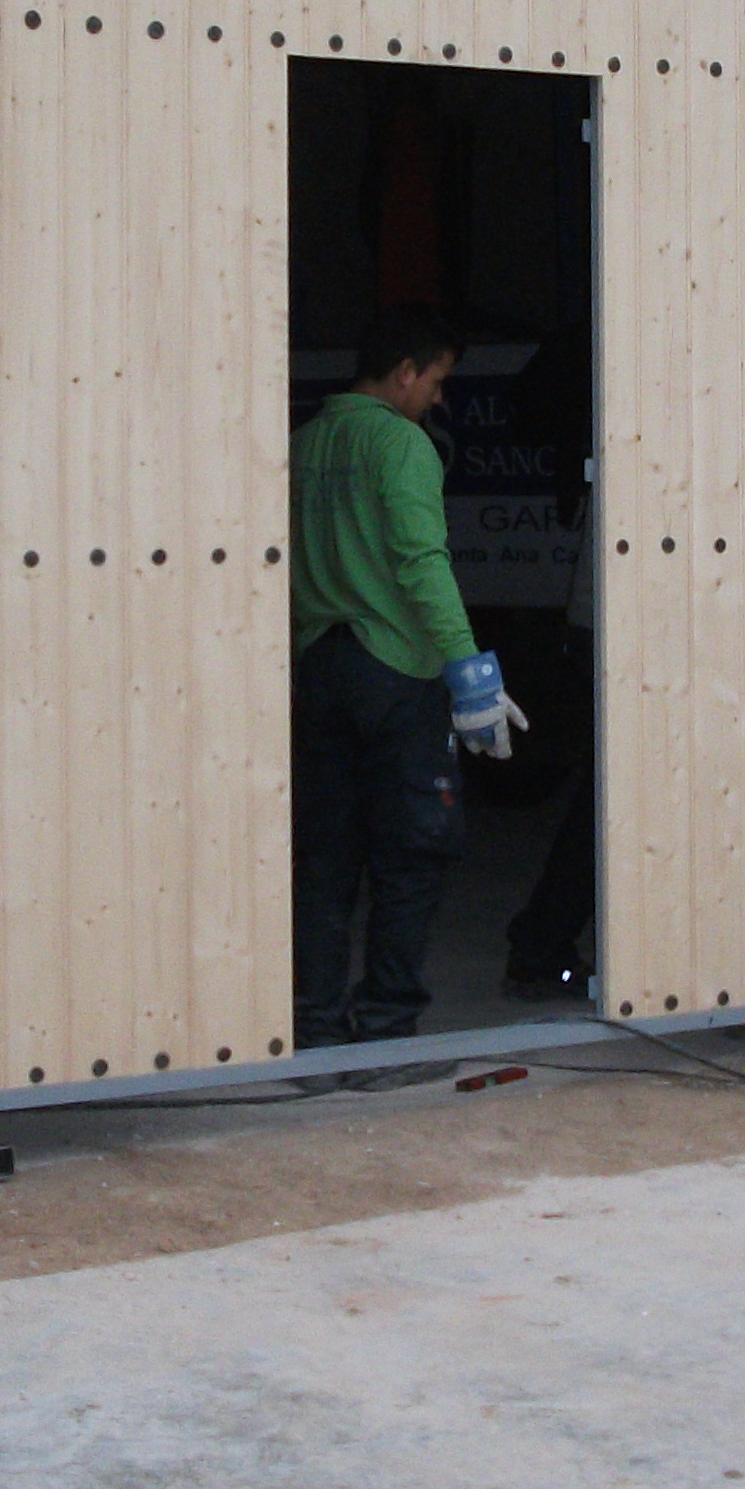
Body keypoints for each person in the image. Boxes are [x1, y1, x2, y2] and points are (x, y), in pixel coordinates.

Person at [289, 304, 527, 1045]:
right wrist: (471, 671)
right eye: (436, 380)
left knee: (325, 860)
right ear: (404, 373)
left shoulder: (304, 443)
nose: (438, 397)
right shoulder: (401, 443)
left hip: (318, 667)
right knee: (414, 851)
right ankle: (388, 1030)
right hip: (394, 672)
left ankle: (315, 1029)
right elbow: (422, 562)